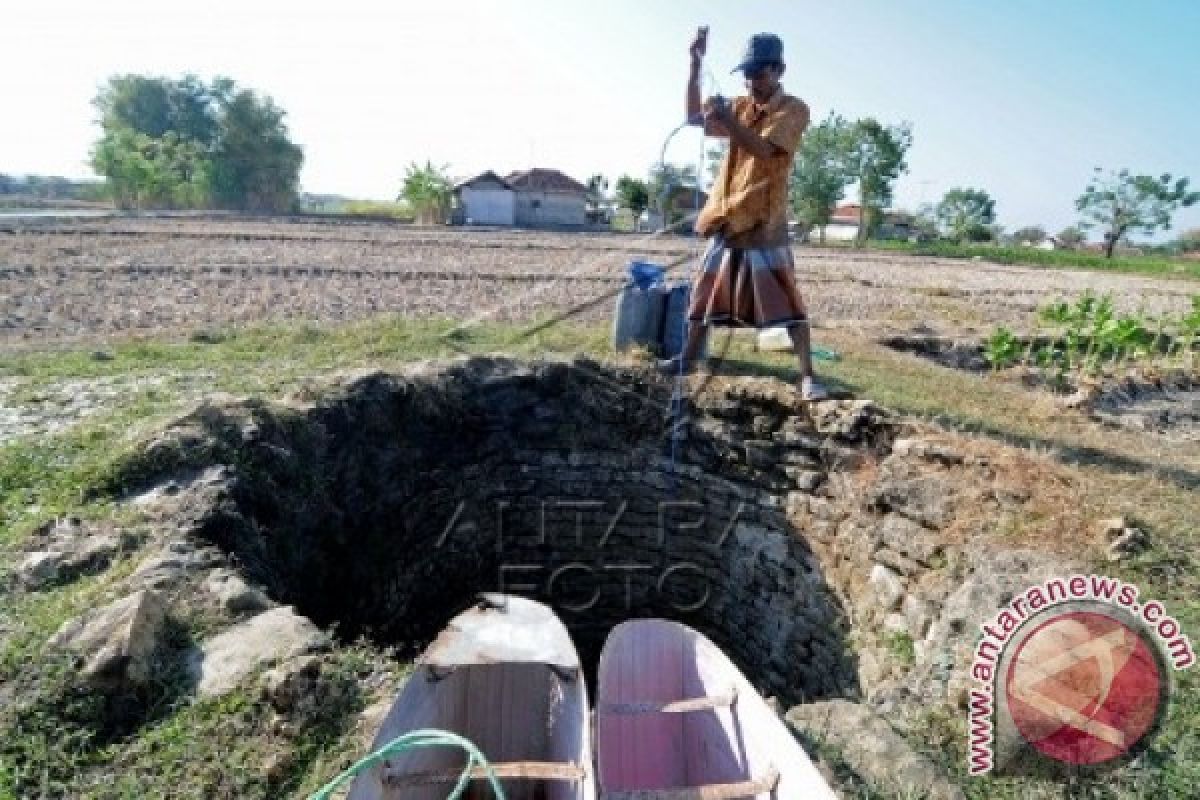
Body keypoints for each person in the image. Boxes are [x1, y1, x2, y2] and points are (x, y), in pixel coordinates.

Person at [659, 30, 829, 401]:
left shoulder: (794, 110)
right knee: (703, 295)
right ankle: (688, 359)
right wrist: (694, 65)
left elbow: (764, 150)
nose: (752, 82)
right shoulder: (738, 107)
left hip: (764, 222)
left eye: (760, 73)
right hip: (727, 213)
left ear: (779, 70)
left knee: (787, 302)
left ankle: (808, 376)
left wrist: (728, 120)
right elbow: (693, 119)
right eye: (748, 74)